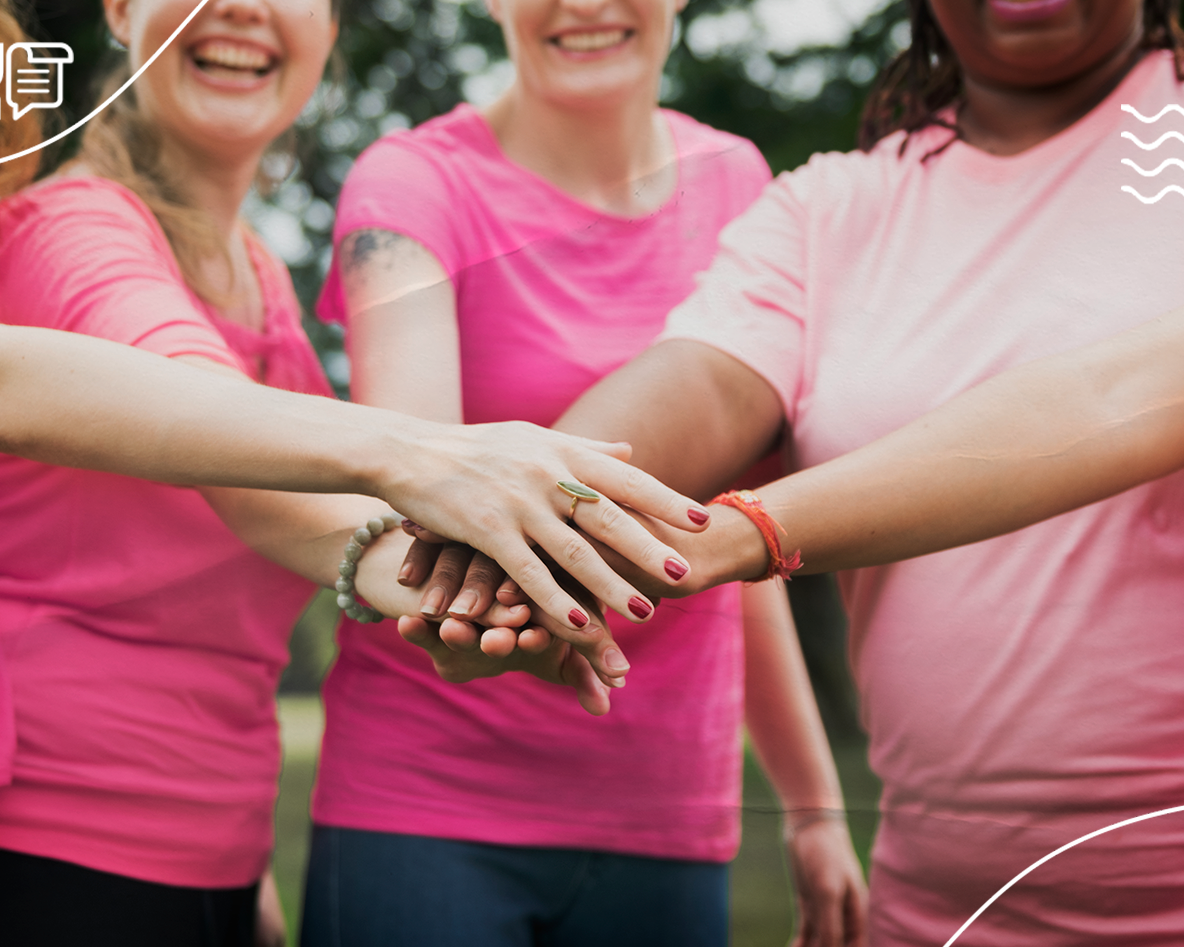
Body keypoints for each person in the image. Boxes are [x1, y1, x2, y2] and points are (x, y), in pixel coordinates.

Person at [0, 1, 706, 944]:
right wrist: (433, 484)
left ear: (330, 28)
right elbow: (222, 454)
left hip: (208, 848)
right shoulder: (62, 229)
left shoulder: (261, 272)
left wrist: (461, 583)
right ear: (121, 11)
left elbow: (277, 531)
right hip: (49, 846)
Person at [419, 1, 1184, 943]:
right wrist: (519, 542)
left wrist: (741, 533)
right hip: (936, 913)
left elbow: (1118, 400)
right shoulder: (833, 207)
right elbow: (700, 382)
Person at [305, 0, 867, 940]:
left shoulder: (737, 182)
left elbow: (726, 533)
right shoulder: (409, 184)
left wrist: (811, 802)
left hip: (666, 808)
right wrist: (482, 610)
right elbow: (411, 472)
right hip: (425, 801)